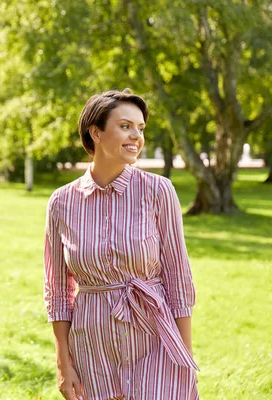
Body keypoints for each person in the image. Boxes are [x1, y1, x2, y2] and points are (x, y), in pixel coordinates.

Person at [44, 90, 199, 400]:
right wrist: (64, 361)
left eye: (140, 128)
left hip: (154, 335)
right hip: (92, 342)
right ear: (96, 132)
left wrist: (186, 358)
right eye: (126, 126)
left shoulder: (158, 191)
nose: (136, 136)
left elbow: (178, 278)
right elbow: (58, 290)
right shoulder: (61, 202)